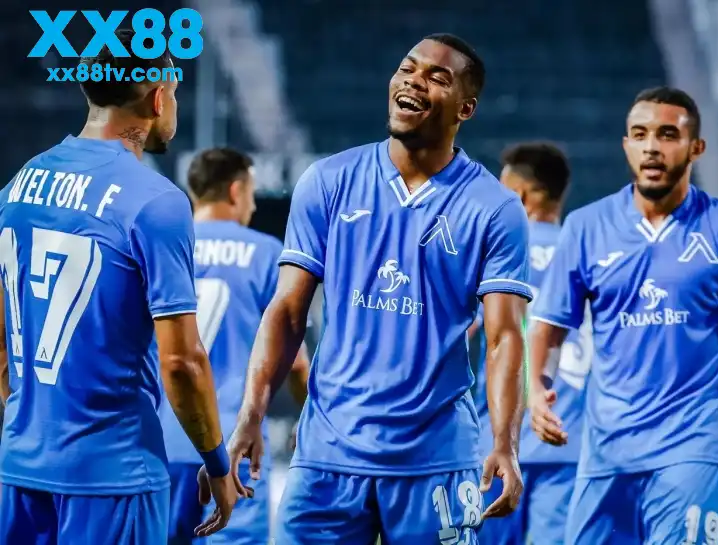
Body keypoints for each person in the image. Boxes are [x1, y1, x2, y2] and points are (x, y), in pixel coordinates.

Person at [214, 33, 533, 544]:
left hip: (437, 459)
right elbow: (288, 310)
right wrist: (251, 413)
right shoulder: (328, 180)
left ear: (466, 108)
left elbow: (504, 338)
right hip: (328, 456)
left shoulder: (494, 207)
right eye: (407, 68)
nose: (414, 81)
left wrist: (505, 442)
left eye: (437, 77)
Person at [528, 86, 718, 544]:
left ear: (696, 147)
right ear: (626, 145)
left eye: (668, 135)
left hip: (693, 450)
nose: (652, 146)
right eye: (640, 134)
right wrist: (538, 390)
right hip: (606, 456)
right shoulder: (585, 227)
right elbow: (550, 329)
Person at [0, 29, 239, 544]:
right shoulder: (156, 201)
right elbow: (182, 362)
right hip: (114, 477)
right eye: (174, 91)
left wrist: (28, 426)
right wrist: (218, 464)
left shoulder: (19, 183)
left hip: (19, 472)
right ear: (157, 99)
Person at [160, 148, 310, 544]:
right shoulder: (266, 253)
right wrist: (313, 417)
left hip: (159, 440)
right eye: (252, 194)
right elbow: (295, 363)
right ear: (235, 191)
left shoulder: (163, 248)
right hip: (233, 443)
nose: (254, 205)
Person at [477, 142, 593, 544]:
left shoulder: (497, 254)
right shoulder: (588, 253)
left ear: (521, 196)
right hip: (570, 441)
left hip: (495, 443)